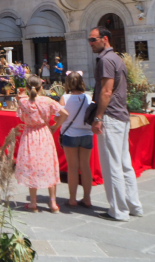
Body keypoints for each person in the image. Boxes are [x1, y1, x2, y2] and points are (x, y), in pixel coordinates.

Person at [89, 26, 143, 221]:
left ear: (105, 39)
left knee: (112, 165)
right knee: (125, 164)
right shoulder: (117, 59)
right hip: (121, 115)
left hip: (110, 116)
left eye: (93, 40)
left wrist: (98, 117)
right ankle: (133, 206)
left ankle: (118, 210)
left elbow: (106, 91)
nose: (90, 43)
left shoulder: (105, 60)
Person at [15, 75, 68, 213]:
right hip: (44, 134)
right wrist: (56, 126)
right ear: (41, 87)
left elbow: (20, 115)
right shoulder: (47, 100)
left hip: (30, 135)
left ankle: (33, 203)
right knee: (49, 166)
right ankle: (53, 203)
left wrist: (19, 97)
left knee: (31, 167)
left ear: (27, 87)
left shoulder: (23, 102)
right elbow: (65, 113)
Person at [59, 71, 93, 208]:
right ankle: (87, 198)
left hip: (70, 134)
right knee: (85, 166)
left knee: (72, 167)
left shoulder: (65, 98)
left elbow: (58, 115)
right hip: (87, 134)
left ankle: (72, 199)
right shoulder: (88, 97)